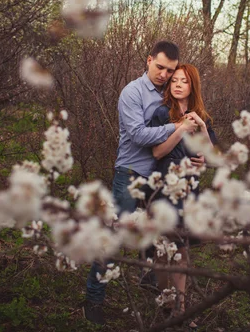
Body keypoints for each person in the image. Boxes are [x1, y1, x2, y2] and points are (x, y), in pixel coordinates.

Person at [83, 41, 201, 325]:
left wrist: (198, 158)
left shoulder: (170, 94)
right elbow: (138, 135)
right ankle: (93, 299)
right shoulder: (132, 92)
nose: (164, 74)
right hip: (131, 172)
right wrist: (177, 126)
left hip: (161, 178)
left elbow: (189, 137)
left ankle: (155, 284)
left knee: (163, 238)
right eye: (159, 67)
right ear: (149, 61)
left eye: (169, 70)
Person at [149, 63, 216, 325]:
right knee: (164, 248)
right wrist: (180, 130)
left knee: (183, 248)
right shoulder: (160, 113)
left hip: (189, 190)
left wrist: (199, 130)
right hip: (164, 187)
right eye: (174, 80)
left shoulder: (202, 117)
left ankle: (181, 307)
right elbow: (157, 152)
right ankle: (166, 301)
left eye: (184, 81)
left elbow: (213, 156)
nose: (177, 84)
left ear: (192, 86)